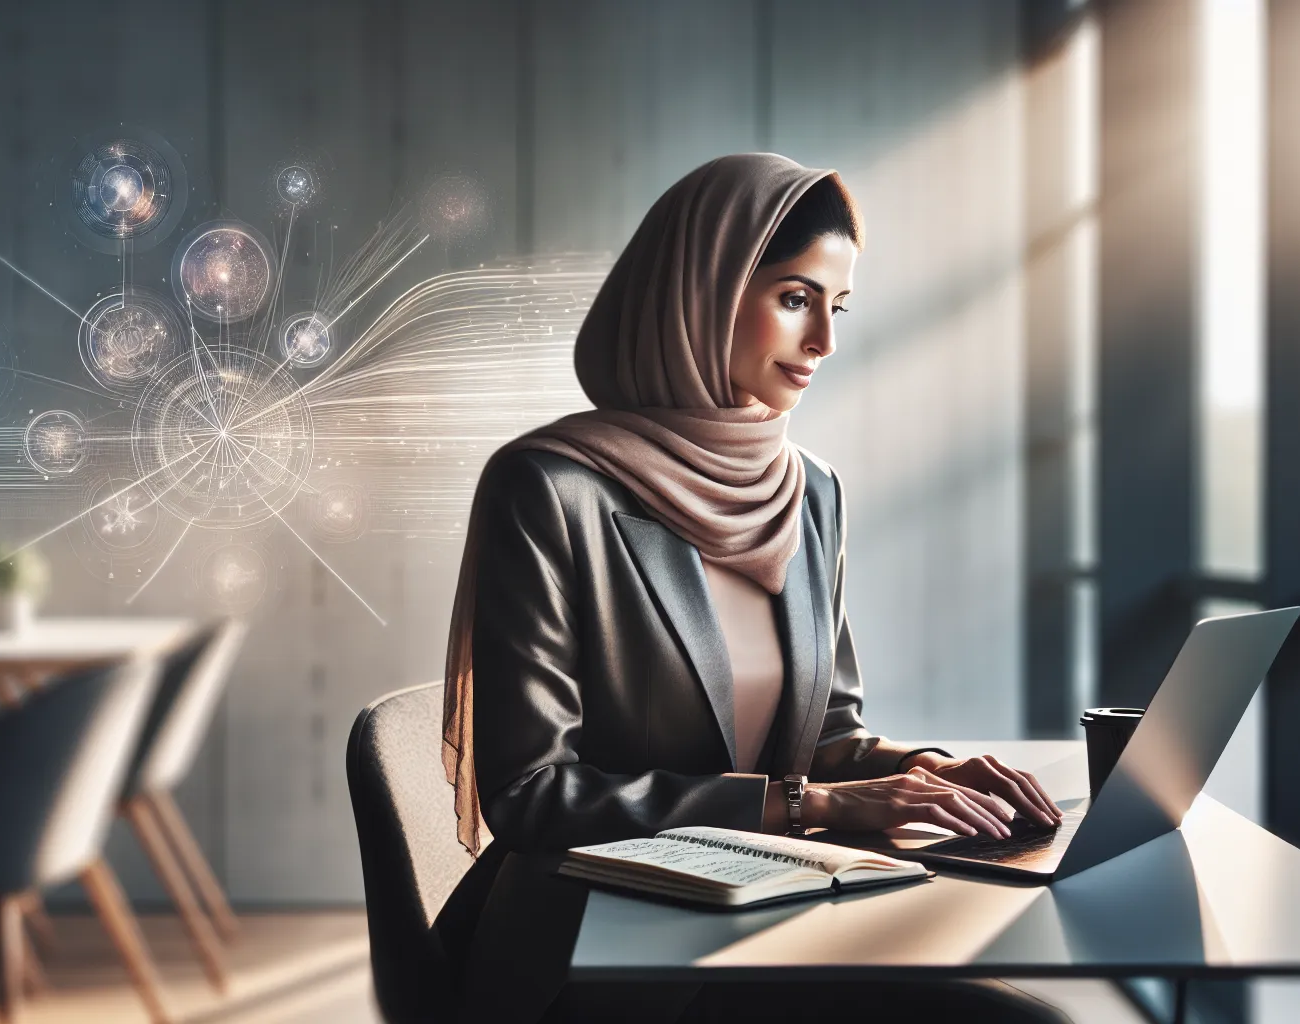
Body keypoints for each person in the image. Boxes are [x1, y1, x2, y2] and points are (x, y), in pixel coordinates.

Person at [434, 153, 1069, 1024]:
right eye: (796, 298)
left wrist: (921, 770)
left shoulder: (811, 492)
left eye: (837, 307)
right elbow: (534, 794)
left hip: (775, 915)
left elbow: (828, 737)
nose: (824, 343)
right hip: (598, 946)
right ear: (698, 290)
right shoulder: (548, 488)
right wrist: (806, 804)